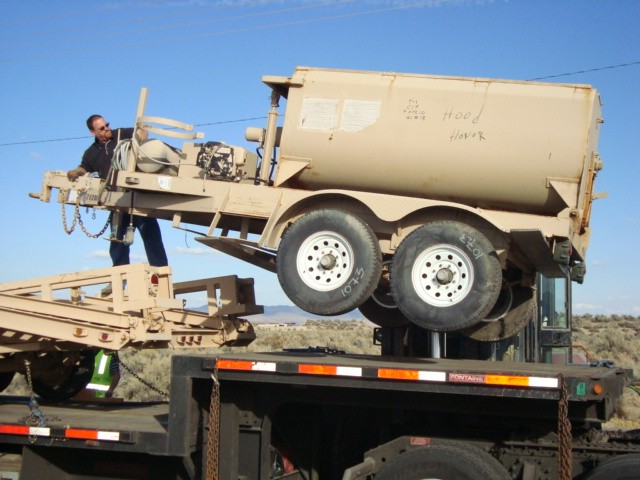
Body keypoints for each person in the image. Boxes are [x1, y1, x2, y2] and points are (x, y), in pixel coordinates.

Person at [67, 115, 168, 274]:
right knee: (117, 244)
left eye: (106, 125)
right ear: (93, 132)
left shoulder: (121, 135)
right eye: (101, 128)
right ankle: (119, 280)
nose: (106, 128)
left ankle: (162, 276)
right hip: (118, 202)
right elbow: (84, 167)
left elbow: (143, 133)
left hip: (139, 198)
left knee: (152, 238)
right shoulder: (91, 153)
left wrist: (138, 138)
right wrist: (76, 172)